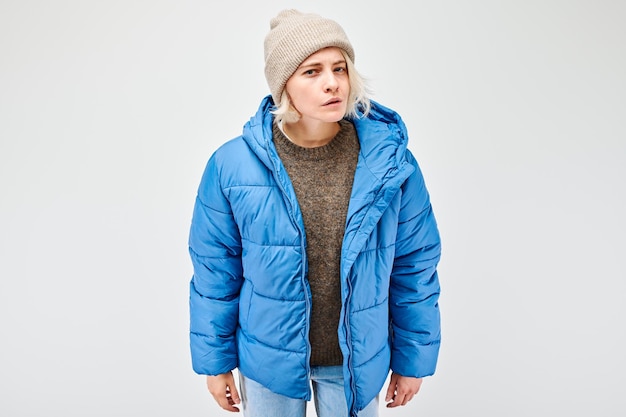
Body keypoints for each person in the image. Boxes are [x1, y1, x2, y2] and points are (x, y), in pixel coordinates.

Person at [188, 9, 442, 417]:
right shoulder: (231, 166)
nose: (332, 83)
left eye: (340, 68)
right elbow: (215, 271)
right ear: (283, 84)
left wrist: (412, 360)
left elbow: (415, 266)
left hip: (355, 362)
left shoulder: (390, 164)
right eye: (312, 71)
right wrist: (215, 362)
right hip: (267, 360)